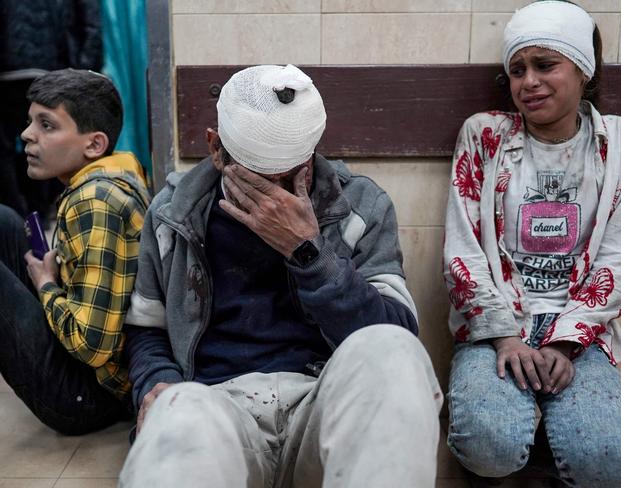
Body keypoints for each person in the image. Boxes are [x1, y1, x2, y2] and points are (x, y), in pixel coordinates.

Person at [119, 64, 442, 488]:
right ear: (216, 149)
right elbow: (148, 330)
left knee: (392, 352)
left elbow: (397, 334)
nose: (274, 196)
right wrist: (156, 384)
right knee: (178, 408)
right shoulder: (172, 213)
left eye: (290, 177)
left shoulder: (361, 204)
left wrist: (308, 252)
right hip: (219, 409)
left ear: (310, 157)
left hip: (322, 407)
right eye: (254, 178)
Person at [443, 1, 621, 487]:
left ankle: (551, 447)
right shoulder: (485, 136)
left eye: (545, 65)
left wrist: (564, 340)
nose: (528, 82)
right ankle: (517, 441)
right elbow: (462, 251)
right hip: (497, 326)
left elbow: (620, 260)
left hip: (578, 332)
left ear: (583, 70)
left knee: (610, 466)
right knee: (487, 446)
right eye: (517, 70)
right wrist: (505, 337)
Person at [0, 69, 150, 435]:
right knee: (3, 219)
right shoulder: (119, 168)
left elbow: (92, 347)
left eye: (47, 125)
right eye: (31, 121)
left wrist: (46, 284)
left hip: (90, 394)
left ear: (94, 145)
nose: (27, 135)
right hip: (92, 367)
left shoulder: (94, 201)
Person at [0, 0, 103, 218]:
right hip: (52, 67)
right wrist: (83, 71)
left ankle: (18, 214)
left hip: (9, 70)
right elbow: (91, 24)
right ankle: (41, 209)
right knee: (47, 138)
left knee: (6, 147)